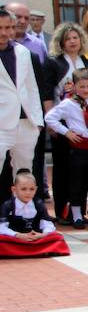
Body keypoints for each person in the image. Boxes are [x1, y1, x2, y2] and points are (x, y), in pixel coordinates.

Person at [43, 22, 88, 222]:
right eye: (68, 38)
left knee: (87, 174)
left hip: (86, 124)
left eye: (75, 37)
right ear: (61, 42)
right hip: (64, 121)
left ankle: (86, 211)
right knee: (63, 169)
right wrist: (52, 123)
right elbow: (47, 92)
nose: (72, 41)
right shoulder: (54, 62)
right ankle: (64, 211)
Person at [44, 69, 88, 229]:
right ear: (74, 86)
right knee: (76, 183)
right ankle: (77, 216)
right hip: (78, 148)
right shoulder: (68, 103)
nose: (86, 90)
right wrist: (67, 132)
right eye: (81, 86)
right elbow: (50, 118)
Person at [0, 10, 45, 191]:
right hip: (2, 124)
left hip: (26, 123)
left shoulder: (23, 52)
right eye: (0, 28)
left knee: (25, 175)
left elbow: (32, 88)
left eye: (8, 27)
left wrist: (37, 121)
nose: (4, 32)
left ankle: (25, 217)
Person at [0, 169, 69, 258]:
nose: (28, 192)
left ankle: (22, 251)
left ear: (36, 189)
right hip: (15, 238)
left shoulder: (38, 204)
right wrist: (18, 235)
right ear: (14, 189)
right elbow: (2, 227)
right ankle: (35, 250)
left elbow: (47, 224)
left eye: (31, 189)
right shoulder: (8, 205)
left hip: (35, 238)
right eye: (23, 189)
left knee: (58, 237)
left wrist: (42, 235)